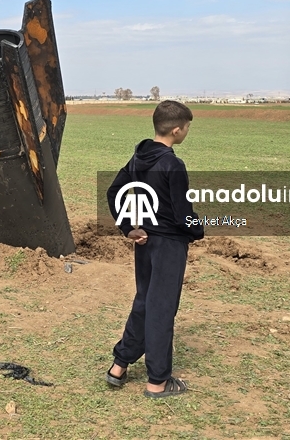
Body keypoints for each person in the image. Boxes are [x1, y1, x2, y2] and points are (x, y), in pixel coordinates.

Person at [104, 99, 204, 398]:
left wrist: (128, 228)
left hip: (144, 242)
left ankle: (119, 366)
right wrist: (198, 229)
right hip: (168, 245)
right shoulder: (172, 163)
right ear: (176, 129)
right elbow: (181, 212)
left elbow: (114, 192)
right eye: (186, 128)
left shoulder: (138, 158)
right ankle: (158, 382)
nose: (186, 132)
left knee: (145, 301)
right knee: (161, 308)